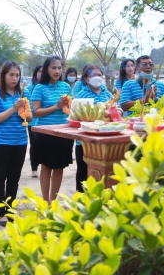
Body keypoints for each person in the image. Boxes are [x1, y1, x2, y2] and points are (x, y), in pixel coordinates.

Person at [0, 61, 32, 227]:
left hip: (20, 141)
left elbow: (30, 118)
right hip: (1, 142)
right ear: (4, 75)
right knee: (0, 178)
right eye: (11, 75)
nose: (14, 78)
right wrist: (14, 108)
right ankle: (1, 212)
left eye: (17, 75)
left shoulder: (23, 93)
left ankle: (11, 209)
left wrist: (25, 113)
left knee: (14, 178)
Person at [32, 56, 74, 203]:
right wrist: (56, 106)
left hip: (63, 132)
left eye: (59, 68)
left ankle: (53, 201)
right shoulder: (40, 88)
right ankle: (45, 202)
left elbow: (69, 110)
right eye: (53, 68)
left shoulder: (66, 87)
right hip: (45, 133)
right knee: (46, 166)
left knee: (59, 167)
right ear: (46, 70)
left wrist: (68, 107)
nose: (57, 71)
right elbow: (35, 112)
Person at [74, 65, 113, 192]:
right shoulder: (81, 95)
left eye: (99, 75)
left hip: (106, 139)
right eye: (93, 75)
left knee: (104, 171)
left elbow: (114, 113)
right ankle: (81, 201)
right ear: (86, 79)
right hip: (85, 142)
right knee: (83, 172)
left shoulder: (108, 94)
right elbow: (75, 117)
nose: (97, 78)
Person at [26, 65, 42, 178]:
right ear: (35, 73)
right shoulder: (29, 88)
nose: (41, 73)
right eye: (39, 71)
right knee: (34, 145)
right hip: (32, 121)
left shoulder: (46, 87)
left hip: (44, 122)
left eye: (43, 71)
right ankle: (34, 168)